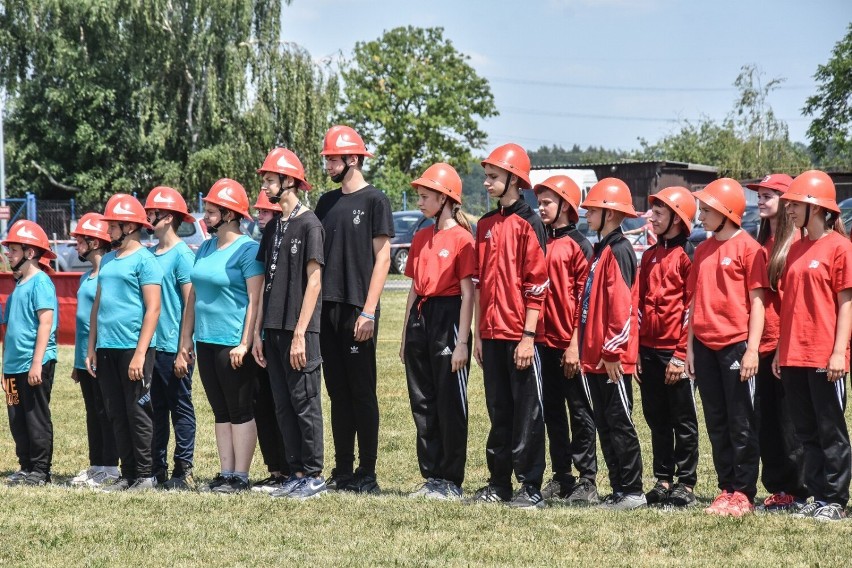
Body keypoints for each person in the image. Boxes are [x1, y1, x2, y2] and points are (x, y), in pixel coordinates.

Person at [315, 125, 393, 494]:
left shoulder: (375, 200)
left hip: (357, 309)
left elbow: (383, 258)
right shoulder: (325, 204)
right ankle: (342, 469)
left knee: (363, 392)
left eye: (333, 157)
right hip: (326, 309)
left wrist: (369, 311)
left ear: (353, 159)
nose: (328, 163)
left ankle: (368, 472)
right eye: (327, 157)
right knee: (337, 393)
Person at [471, 143, 549, 509]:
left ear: (514, 180)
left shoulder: (530, 223)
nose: (487, 183)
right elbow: (480, 284)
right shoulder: (484, 224)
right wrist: (478, 335)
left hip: (520, 335)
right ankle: (498, 482)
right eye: (486, 177)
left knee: (527, 413)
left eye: (493, 177)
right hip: (490, 333)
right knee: (498, 411)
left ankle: (530, 485)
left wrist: (528, 337)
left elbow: (538, 285)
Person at [774, 170, 852, 522]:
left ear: (818, 208)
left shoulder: (840, 247)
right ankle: (818, 495)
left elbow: (846, 304)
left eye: (796, 204)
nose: (789, 210)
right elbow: (790, 303)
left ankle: (835, 499)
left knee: (829, 428)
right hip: (792, 354)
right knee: (805, 430)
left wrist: (839, 351)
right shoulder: (794, 249)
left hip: (824, 354)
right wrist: (779, 349)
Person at [176, 178, 263, 494]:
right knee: (220, 409)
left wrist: (245, 342)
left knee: (240, 409)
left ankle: (240, 476)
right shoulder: (207, 247)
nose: (205, 215)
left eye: (211, 210)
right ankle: (226, 472)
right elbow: (193, 296)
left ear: (229, 214)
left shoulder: (248, 250)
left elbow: (255, 299)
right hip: (206, 341)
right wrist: (186, 339)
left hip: (232, 344)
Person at [686, 178, 767, 517]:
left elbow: (758, 302)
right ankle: (726, 488)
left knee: (741, 422)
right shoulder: (701, 250)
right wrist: (689, 349)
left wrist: (752, 350)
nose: (699, 216)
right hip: (703, 348)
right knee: (717, 421)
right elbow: (693, 304)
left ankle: (744, 492)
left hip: (736, 346)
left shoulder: (750, 248)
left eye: (706, 210)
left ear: (726, 212)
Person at [252, 148, 327, 500]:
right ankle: (295, 472)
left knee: (305, 401)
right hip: (274, 330)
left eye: (269, 179)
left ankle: (313, 474)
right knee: (282, 404)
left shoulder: (310, 224)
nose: (265, 185)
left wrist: (300, 332)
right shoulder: (273, 228)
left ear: (289, 182)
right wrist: (258, 333)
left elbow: (314, 281)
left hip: (301, 331)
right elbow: (266, 282)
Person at [399, 163, 475, 500]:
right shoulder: (419, 237)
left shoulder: (462, 239)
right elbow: (415, 288)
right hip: (421, 317)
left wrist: (462, 343)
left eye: (426, 196)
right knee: (423, 402)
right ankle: (431, 477)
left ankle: (451, 479)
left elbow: (469, 293)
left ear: (445, 199)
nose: (420, 201)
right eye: (418, 195)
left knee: (449, 403)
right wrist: (405, 336)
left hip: (449, 317)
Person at [87, 194, 163, 492]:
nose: (108, 231)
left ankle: (145, 475)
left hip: (135, 349)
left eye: (113, 225)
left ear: (129, 226)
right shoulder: (107, 260)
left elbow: (153, 309)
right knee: (116, 411)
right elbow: (98, 305)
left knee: (137, 411)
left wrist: (140, 354)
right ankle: (128, 472)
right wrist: (92, 346)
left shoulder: (146, 261)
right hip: (107, 348)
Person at [578, 178, 645, 511]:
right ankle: (619, 488)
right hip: (595, 357)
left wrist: (612, 352)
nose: (586, 213)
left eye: (593, 209)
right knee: (604, 423)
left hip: (611, 358)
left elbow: (621, 308)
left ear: (610, 213)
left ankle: (633, 490)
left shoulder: (619, 250)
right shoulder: (599, 248)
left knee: (620, 422)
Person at [532, 175, 599, 505]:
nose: (540, 207)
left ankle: (587, 479)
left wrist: (575, 344)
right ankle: (561, 477)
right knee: (551, 413)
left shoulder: (580, 245)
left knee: (580, 411)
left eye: (547, 202)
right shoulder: (539, 240)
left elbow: (583, 300)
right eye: (539, 202)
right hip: (541, 342)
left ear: (566, 206)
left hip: (570, 343)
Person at [745, 174, 807, 512]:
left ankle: (797, 490)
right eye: (759, 195)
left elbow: (795, 304)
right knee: (766, 421)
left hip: (788, 346)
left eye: (769, 195)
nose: (761, 200)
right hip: (764, 344)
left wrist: (783, 346)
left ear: (786, 201)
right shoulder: (765, 242)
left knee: (789, 424)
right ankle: (779, 488)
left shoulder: (796, 242)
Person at [636, 186, 699, 508]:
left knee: (683, 419)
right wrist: (635, 349)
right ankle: (663, 478)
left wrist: (679, 355)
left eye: (659, 213)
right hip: (647, 349)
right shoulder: (648, 255)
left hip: (675, 353)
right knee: (656, 418)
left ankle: (686, 482)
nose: (652, 217)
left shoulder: (688, 255)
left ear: (677, 217)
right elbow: (638, 303)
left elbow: (692, 307)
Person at [143, 186, 198, 490]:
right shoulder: (150, 255)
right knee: (155, 410)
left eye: (152, 211)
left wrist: (184, 350)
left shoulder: (182, 256)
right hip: (152, 348)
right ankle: (157, 468)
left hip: (174, 346)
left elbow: (191, 304)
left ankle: (184, 469)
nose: (148, 216)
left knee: (180, 407)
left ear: (167, 217)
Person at [1, 220, 58, 486]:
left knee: (35, 418)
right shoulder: (16, 290)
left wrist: (37, 363)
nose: (8, 255)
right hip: (13, 368)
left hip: (34, 365)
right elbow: (9, 332)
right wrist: (5, 368)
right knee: (17, 419)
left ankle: (40, 470)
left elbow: (45, 323)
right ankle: (25, 465)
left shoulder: (41, 283)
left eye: (13, 249)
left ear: (30, 252)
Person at [69, 213, 119, 488]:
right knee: (92, 412)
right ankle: (96, 465)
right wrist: (78, 361)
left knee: (106, 410)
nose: (76, 244)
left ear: (96, 242)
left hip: (103, 354)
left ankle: (110, 467)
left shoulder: (107, 276)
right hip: (85, 357)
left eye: (80, 240)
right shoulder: (86, 277)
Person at [248, 188, 289, 493]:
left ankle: (289, 468)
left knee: (281, 404)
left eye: (263, 212)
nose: (258, 216)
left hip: (280, 333)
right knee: (261, 403)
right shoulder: (261, 243)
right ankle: (274, 469)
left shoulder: (285, 240)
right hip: (261, 336)